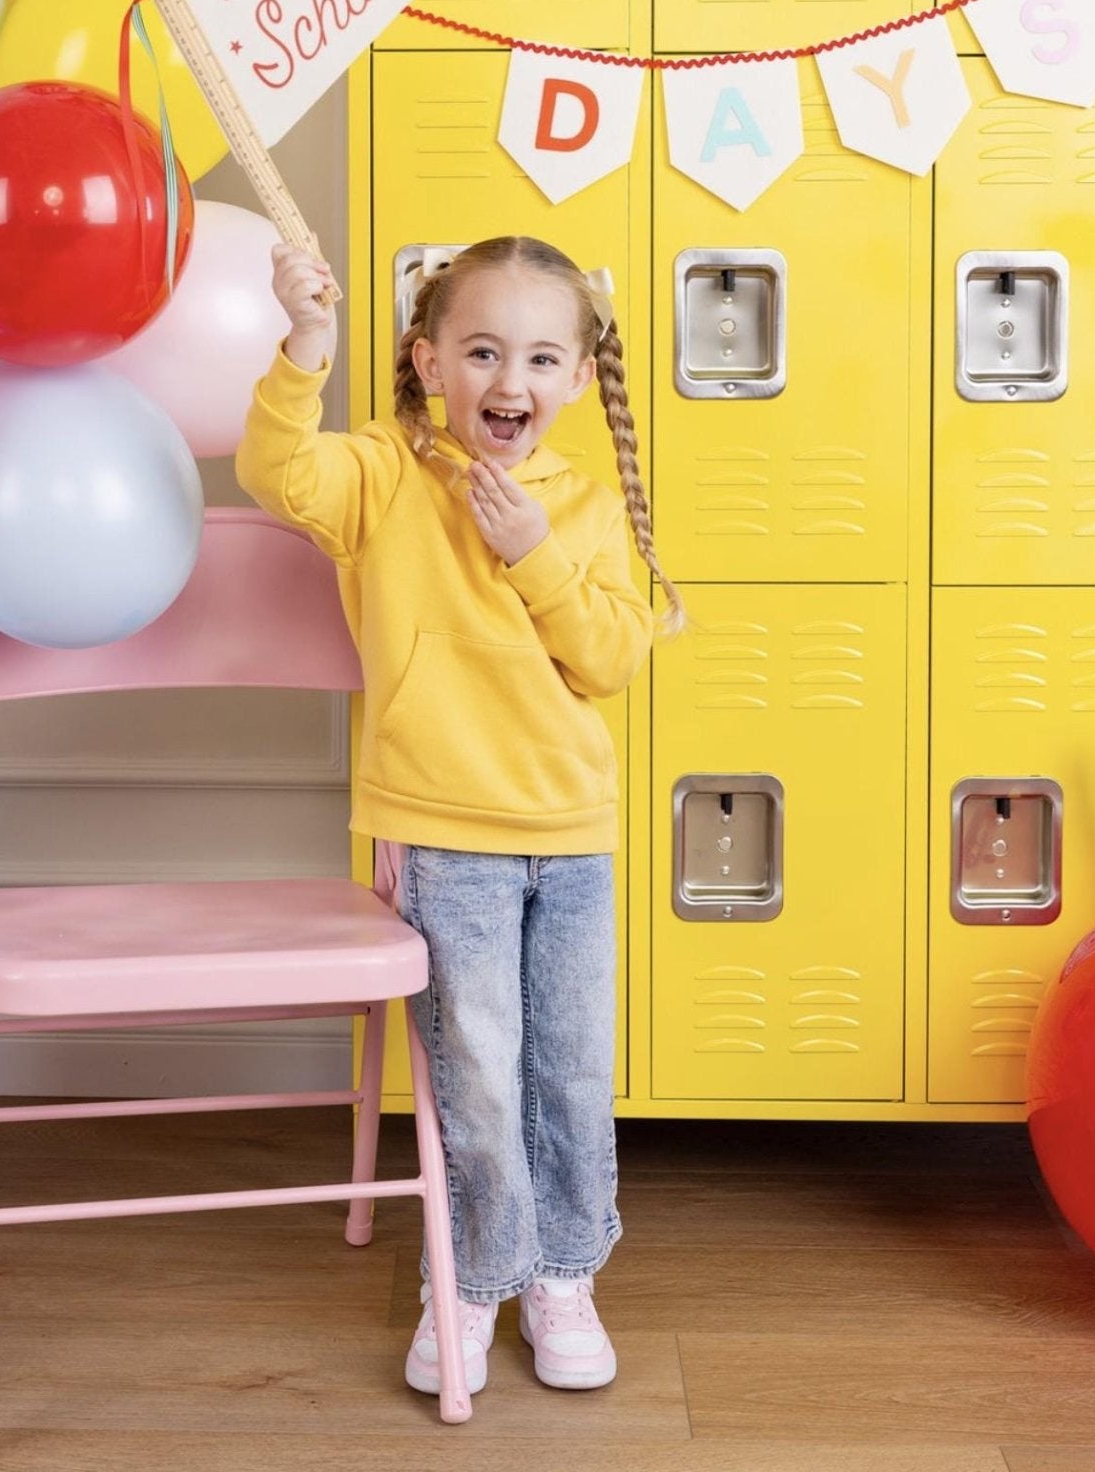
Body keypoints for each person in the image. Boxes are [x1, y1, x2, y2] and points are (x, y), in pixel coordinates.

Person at [238, 233, 681, 1400]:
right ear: (430, 359)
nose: (510, 381)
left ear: (579, 379)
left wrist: (534, 556)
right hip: (443, 831)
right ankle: (474, 1270)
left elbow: (615, 656)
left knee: (574, 1069)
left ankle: (566, 1271)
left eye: (540, 357)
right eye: (482, 351)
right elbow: (275, 473)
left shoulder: (584, 505)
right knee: (477, 1071)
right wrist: (306, 345)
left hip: (572, 833)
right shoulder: (384, 472)